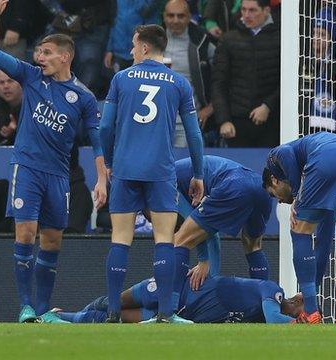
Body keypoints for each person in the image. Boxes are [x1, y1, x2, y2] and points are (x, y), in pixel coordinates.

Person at [0, 0, 107, 324]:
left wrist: (102, 178)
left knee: (52, 240)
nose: (40, 57)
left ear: (65, 56)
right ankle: (25, 307)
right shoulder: (30, 76)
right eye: (39, 52)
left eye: (47, 52)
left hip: (59, 174)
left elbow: (96, 140)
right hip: (26, 167)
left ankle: (43, 310)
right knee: (25, 233)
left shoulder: (83, 96)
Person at [100, 24, 205, 324]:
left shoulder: (121, 79)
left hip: (125, 168)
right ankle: (165, 314)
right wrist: (198, 173)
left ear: (144, 47)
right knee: (164, 239)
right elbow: (194, 133)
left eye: (133, 45)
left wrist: (109, 160)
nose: (131, 50)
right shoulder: (179, 83)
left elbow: (105, 127)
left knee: (120, 238)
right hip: (160, 171)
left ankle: (112, 312)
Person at [262, 132, 336, 324]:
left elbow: (285, 152)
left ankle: (310, 313)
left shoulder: (273, 159)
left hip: (328, 159)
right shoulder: (311, 170)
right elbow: (323, 243)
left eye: (274, 195)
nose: (280, 201)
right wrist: (310, 291)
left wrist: (297, 195)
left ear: (274, 180)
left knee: (298, 230)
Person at [170, 155, 272, 312]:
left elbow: (201, 232)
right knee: (253, 246)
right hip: (259, 185)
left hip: (233, 184)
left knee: (180, 240)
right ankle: (265, 304)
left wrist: (204, 262)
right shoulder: (178, 173)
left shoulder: (167, 183)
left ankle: (170, 309)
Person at [54, 275, 303, 324]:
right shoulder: (272, 289)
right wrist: (295, 325)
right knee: (112, 304)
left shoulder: (255, 319)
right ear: (297, 298)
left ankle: (56, 317)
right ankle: (84, 306)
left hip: (178, 316)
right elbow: (274, 317)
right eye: (300, 311)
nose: (297, 316)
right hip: (176, 287)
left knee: (115, 320)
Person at [210, 0, 280, 147]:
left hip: (273, 123)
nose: (247, 15)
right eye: (243, 10)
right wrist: (224, 120)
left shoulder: (282, 38)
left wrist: (268, 105)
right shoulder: (229, 39)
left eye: (252, 10)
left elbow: (287, 80)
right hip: (236, 123)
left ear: (266, 10)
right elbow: (218, 82)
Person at [162, 0, 217, 147]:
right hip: (155, 121)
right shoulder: (152, 39)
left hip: (187, 122)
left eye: (181, 16)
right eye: (171, 15)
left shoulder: (202, 40)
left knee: (183, 166)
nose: (175, 20)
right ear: (164, 16)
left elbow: (222, 77)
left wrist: (211, 107)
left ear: (189, 17)